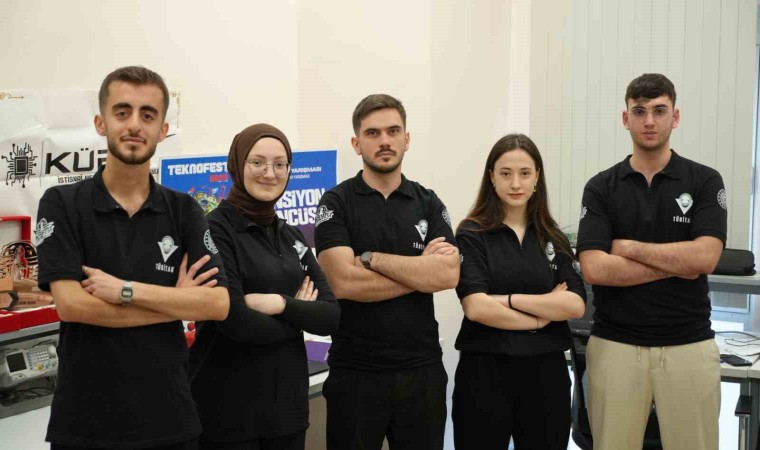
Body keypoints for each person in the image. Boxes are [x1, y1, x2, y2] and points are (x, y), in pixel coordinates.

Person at [36, 66, 230, 450]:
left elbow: (218, 304)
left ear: (163, 129)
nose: (134, 125)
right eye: (122, 112)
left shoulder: (184, 210)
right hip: (85, 425)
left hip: (169, 421)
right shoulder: (62, 204)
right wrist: (175, 303)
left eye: (148, 114)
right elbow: (72, 306)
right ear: (101, 122)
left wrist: (125, 290)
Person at [577, 73, 726, 450]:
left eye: (659, 111)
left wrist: (628, 247)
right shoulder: (601, 187)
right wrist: (679, 262)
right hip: (616, 347)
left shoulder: (705, 181)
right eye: (639, 111)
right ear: (625, 118)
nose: (649, 121)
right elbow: (595, 269)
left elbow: (706, 257)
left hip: (689, 346)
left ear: (675, 117)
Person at [315, 94, 460, 450]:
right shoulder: (335, 202)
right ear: (356, 143)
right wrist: (419, 273)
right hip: (356, 373)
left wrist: (369, 258)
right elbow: (341, 282)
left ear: (406, 139)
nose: (384, 141)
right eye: (373, 133)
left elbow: (447, 275)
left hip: (422, 371)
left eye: (393, 131)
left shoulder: (428, 202)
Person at [190, 123, 340, 450]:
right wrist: (300, 315)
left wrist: (280, 305)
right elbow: (235, 322)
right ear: (237, 164)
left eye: (279, 164)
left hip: (286, 412)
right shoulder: (214, 231)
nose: (269, 173)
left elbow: (330, 316)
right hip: (227, 415)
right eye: (257, 162)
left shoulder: (291, 235)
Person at [453, 133, 586, 450]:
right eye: (506, 173)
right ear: (491, 177)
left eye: (525, 173)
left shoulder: (553, 237)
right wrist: (541, 315)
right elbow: (476, 307)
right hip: (485, 374)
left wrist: (508, 300)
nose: (516, 183)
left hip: (546, 376)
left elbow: (575, 304)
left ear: (537, 177)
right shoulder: (472, 233)